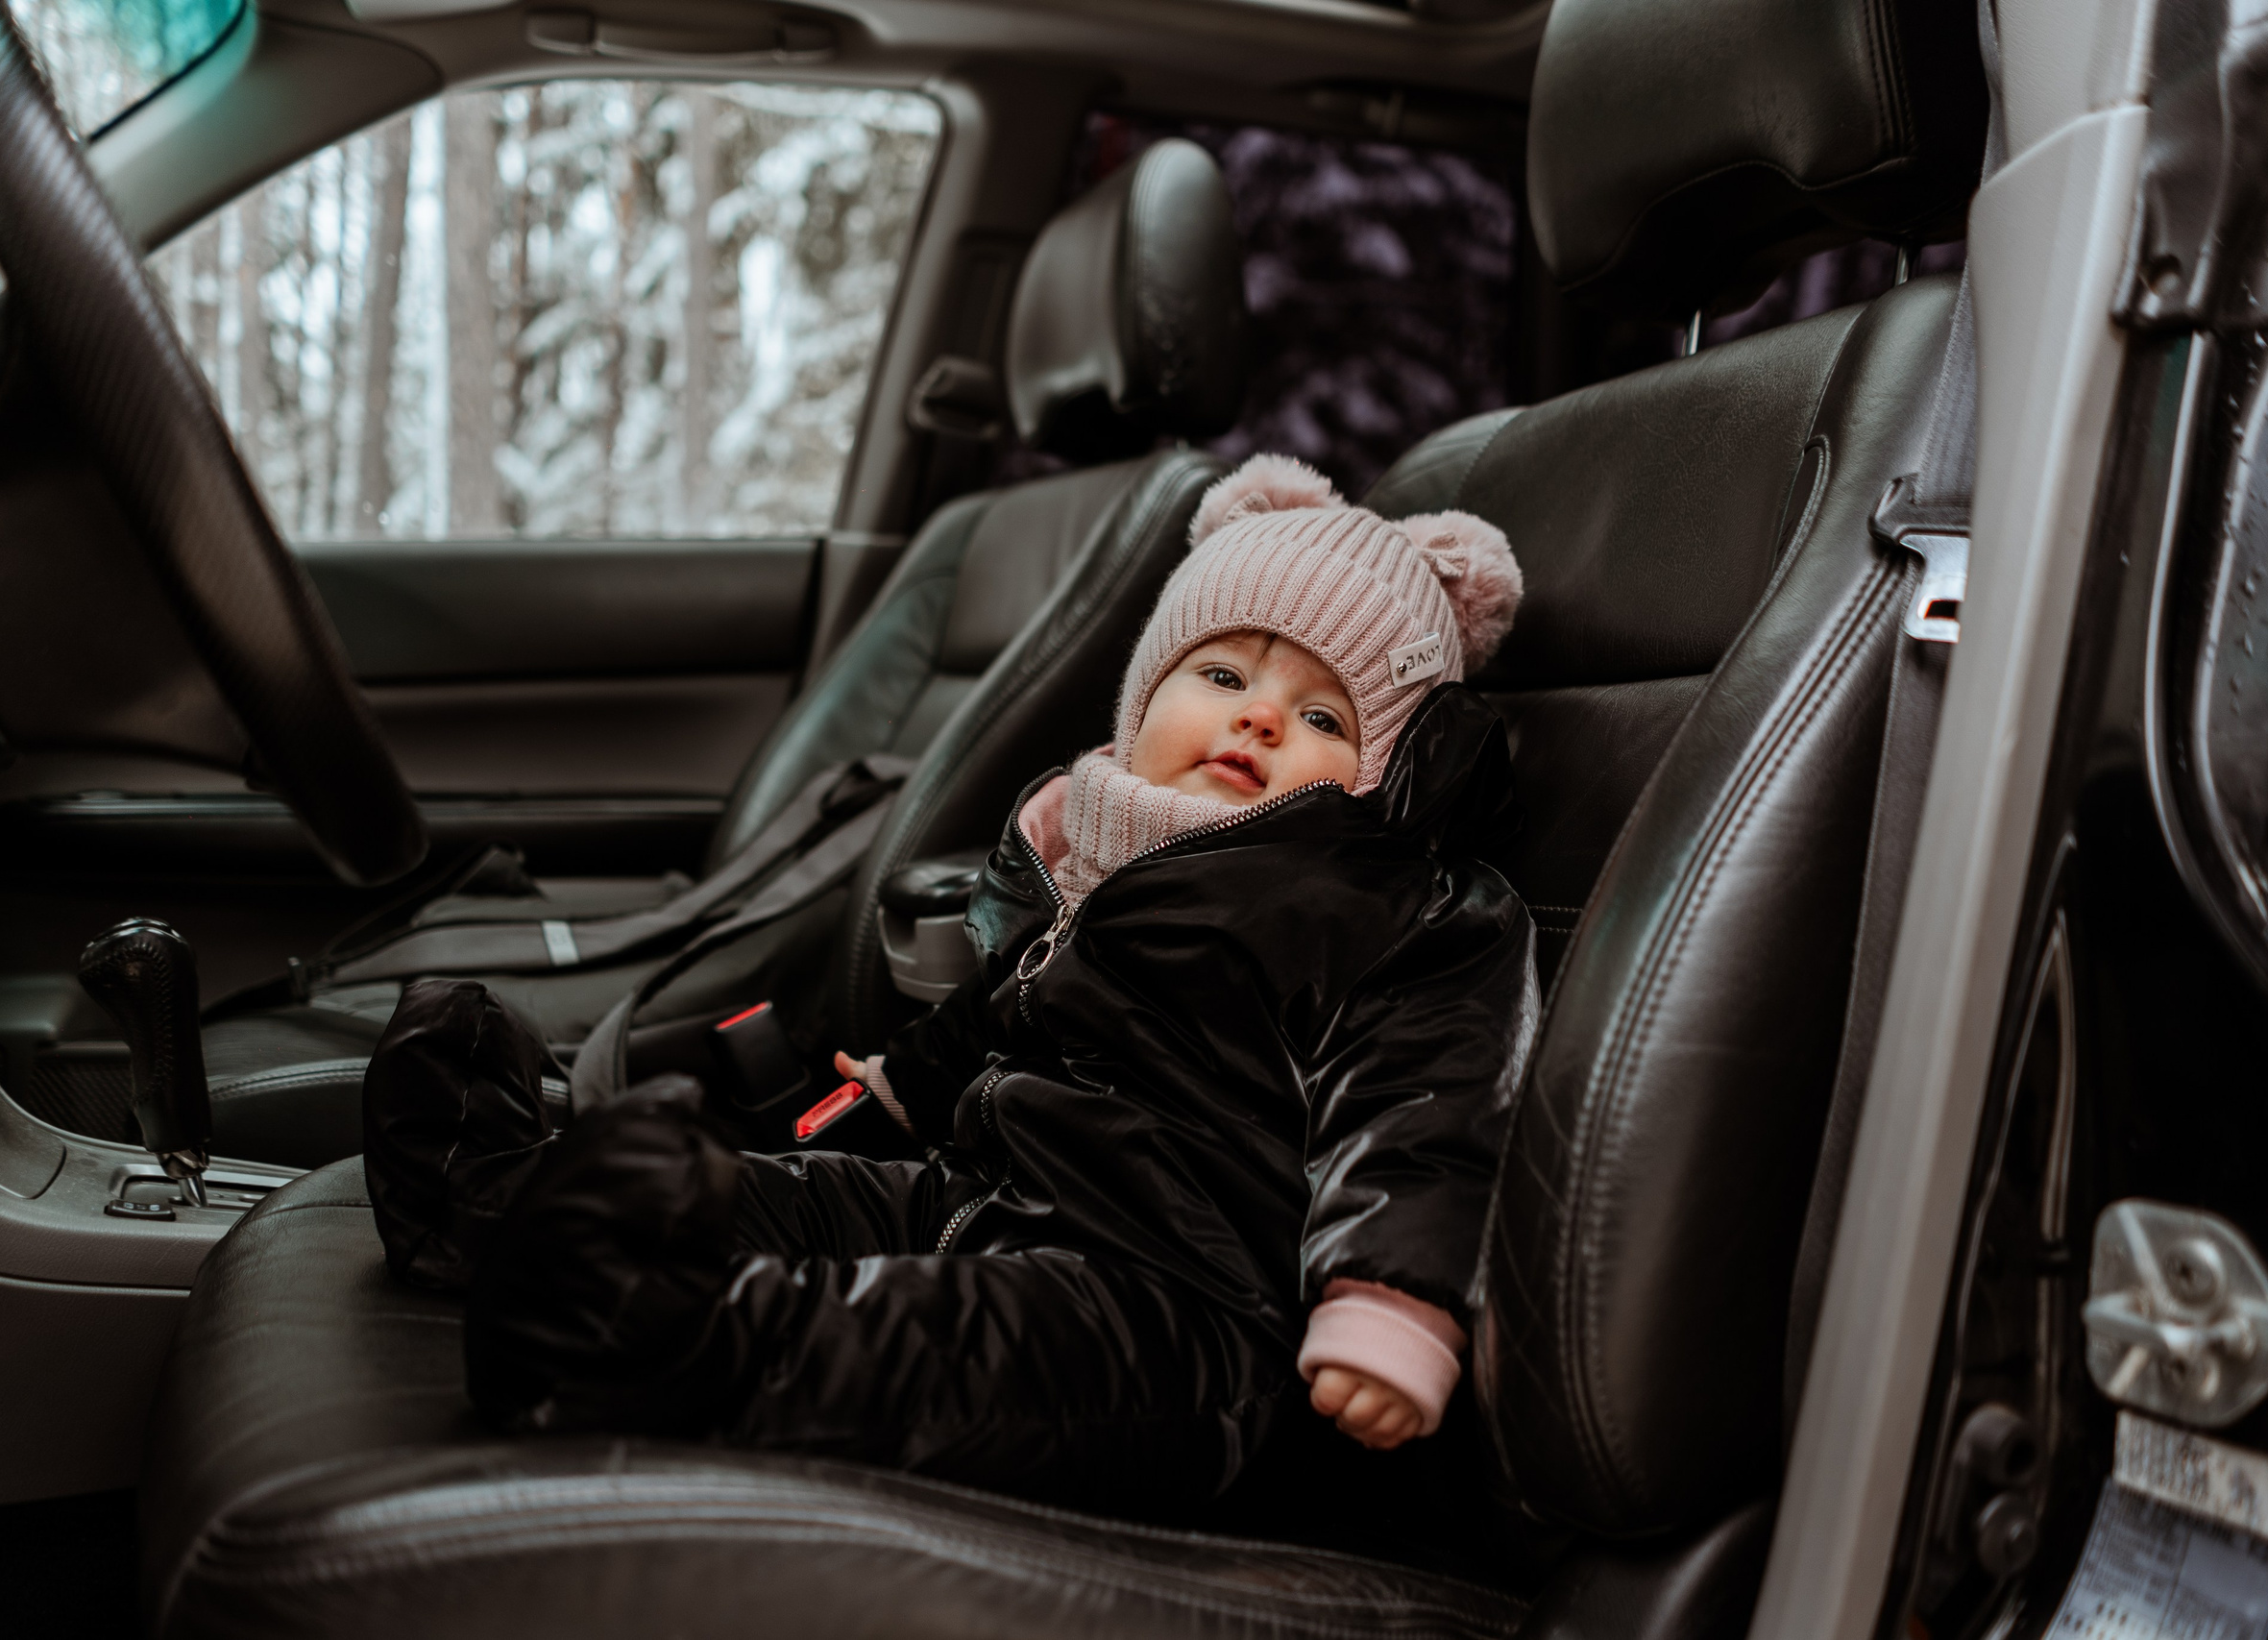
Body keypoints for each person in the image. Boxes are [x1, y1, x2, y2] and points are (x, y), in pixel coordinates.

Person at [366, 453, 1539, 1512]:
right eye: (1222, 670)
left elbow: (1430, 1103)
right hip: (992, 1198)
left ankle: (665, 1348)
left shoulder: (1384, 905)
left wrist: (1387, 1298)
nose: (1257, 716)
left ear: (1376, 773)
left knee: (932, 1343)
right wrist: (902, 1089)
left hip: (1186, 1310)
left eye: (1322, 713)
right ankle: (494, 1194)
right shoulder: (1102, 844)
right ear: (1142, 700)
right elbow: (1013, 1006)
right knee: (789, 1193)